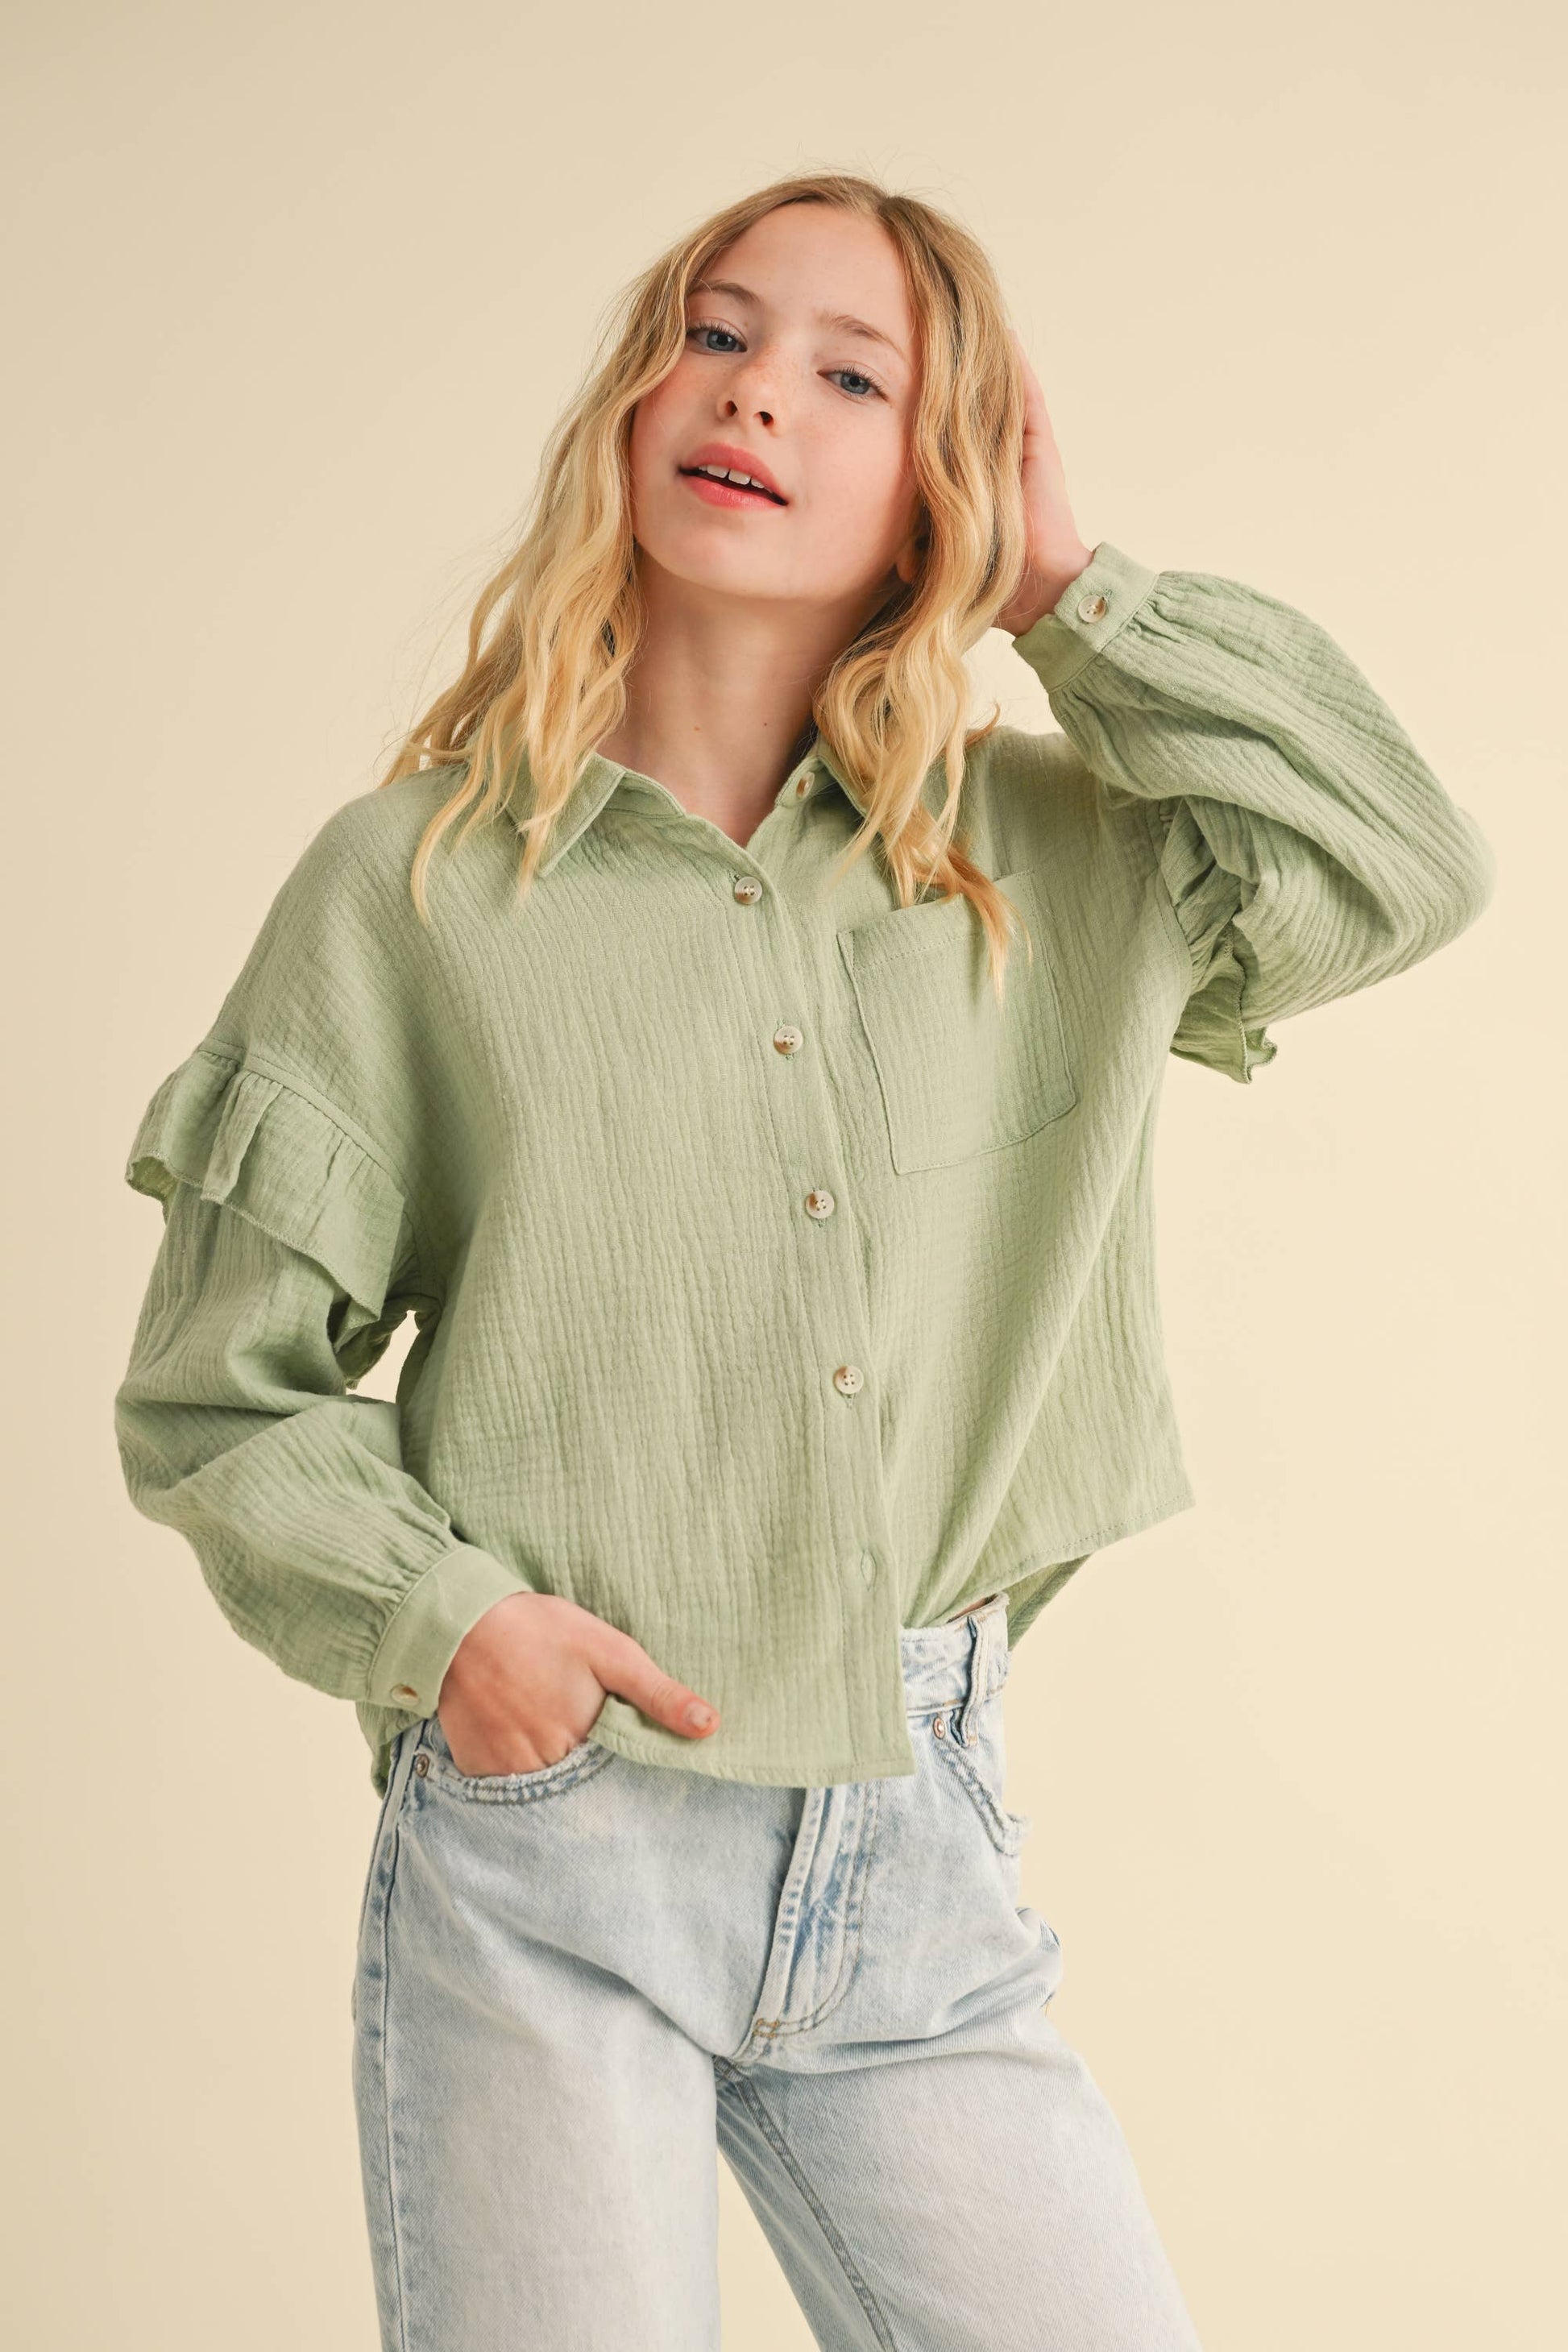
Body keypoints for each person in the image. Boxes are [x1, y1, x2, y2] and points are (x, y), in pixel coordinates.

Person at [112, 170, 1494, 2350]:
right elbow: (218, 1394)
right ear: (634, 396)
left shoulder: (1051, 860)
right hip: (556, 1847)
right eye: (716, 328)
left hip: (912, 1839)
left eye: (854, 374)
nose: (755, 392)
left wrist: (1067, 589)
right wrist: (456, 1632)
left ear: (936, 479)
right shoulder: (413, 887)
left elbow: (1399, 862)